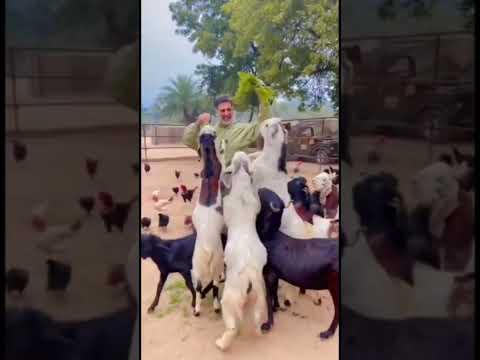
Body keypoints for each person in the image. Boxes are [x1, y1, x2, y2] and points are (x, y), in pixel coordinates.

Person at [182, 95, 272, 166]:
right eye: (222, 110)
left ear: (233, 110)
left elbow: (264, 124)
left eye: (229, 109)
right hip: (214, 183)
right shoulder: (209, 133)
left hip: (237, 182)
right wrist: (197, 123)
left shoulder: (243, 129)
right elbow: (188, 140)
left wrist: (264, 101)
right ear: (217, 112)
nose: (226, 113)